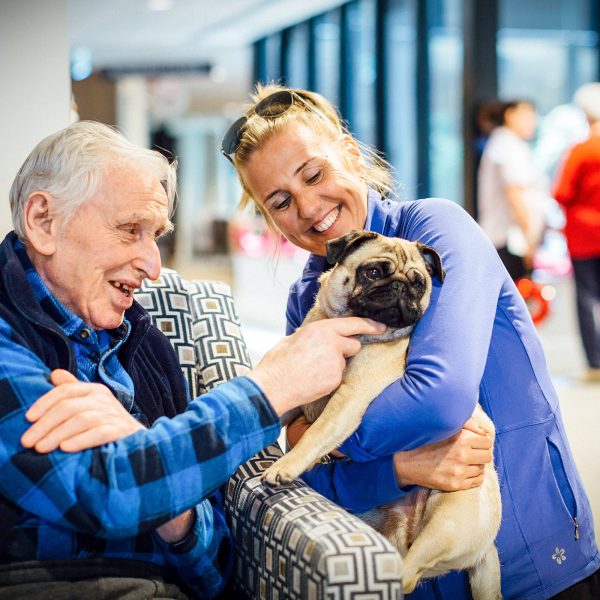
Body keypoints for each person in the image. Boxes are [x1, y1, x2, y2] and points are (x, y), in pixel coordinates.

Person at [222, 84, 600, 599]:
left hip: (529, 558)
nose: (309, 206)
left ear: (350, 155)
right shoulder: (308, 298)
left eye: (314, 174)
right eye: (281, 201)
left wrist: (318, 434)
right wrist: (392, 468)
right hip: (403, 575)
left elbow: (438, 400)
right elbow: (308, 471)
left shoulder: (437, 230)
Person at [0, 120, 397, 599]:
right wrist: (271, 387)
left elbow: (219, 568)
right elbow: (110, 494)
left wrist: (169, 499)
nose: (152, 265)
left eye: (156, 235)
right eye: (130, 230)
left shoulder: (144, 346)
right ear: (43, 221)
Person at [553, 83, 600, 383]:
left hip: (584, 234)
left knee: (587, 296)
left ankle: (595, 361)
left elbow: (562, 192)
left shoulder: (581, 150)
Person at [477, 99, 549, 281]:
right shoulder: (507, 145)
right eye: (527, 115)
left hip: (509, 239)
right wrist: (530, 236)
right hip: (508, 240)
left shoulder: (509, 143)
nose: (532, 121)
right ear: (509, 115)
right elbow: (514, 193)